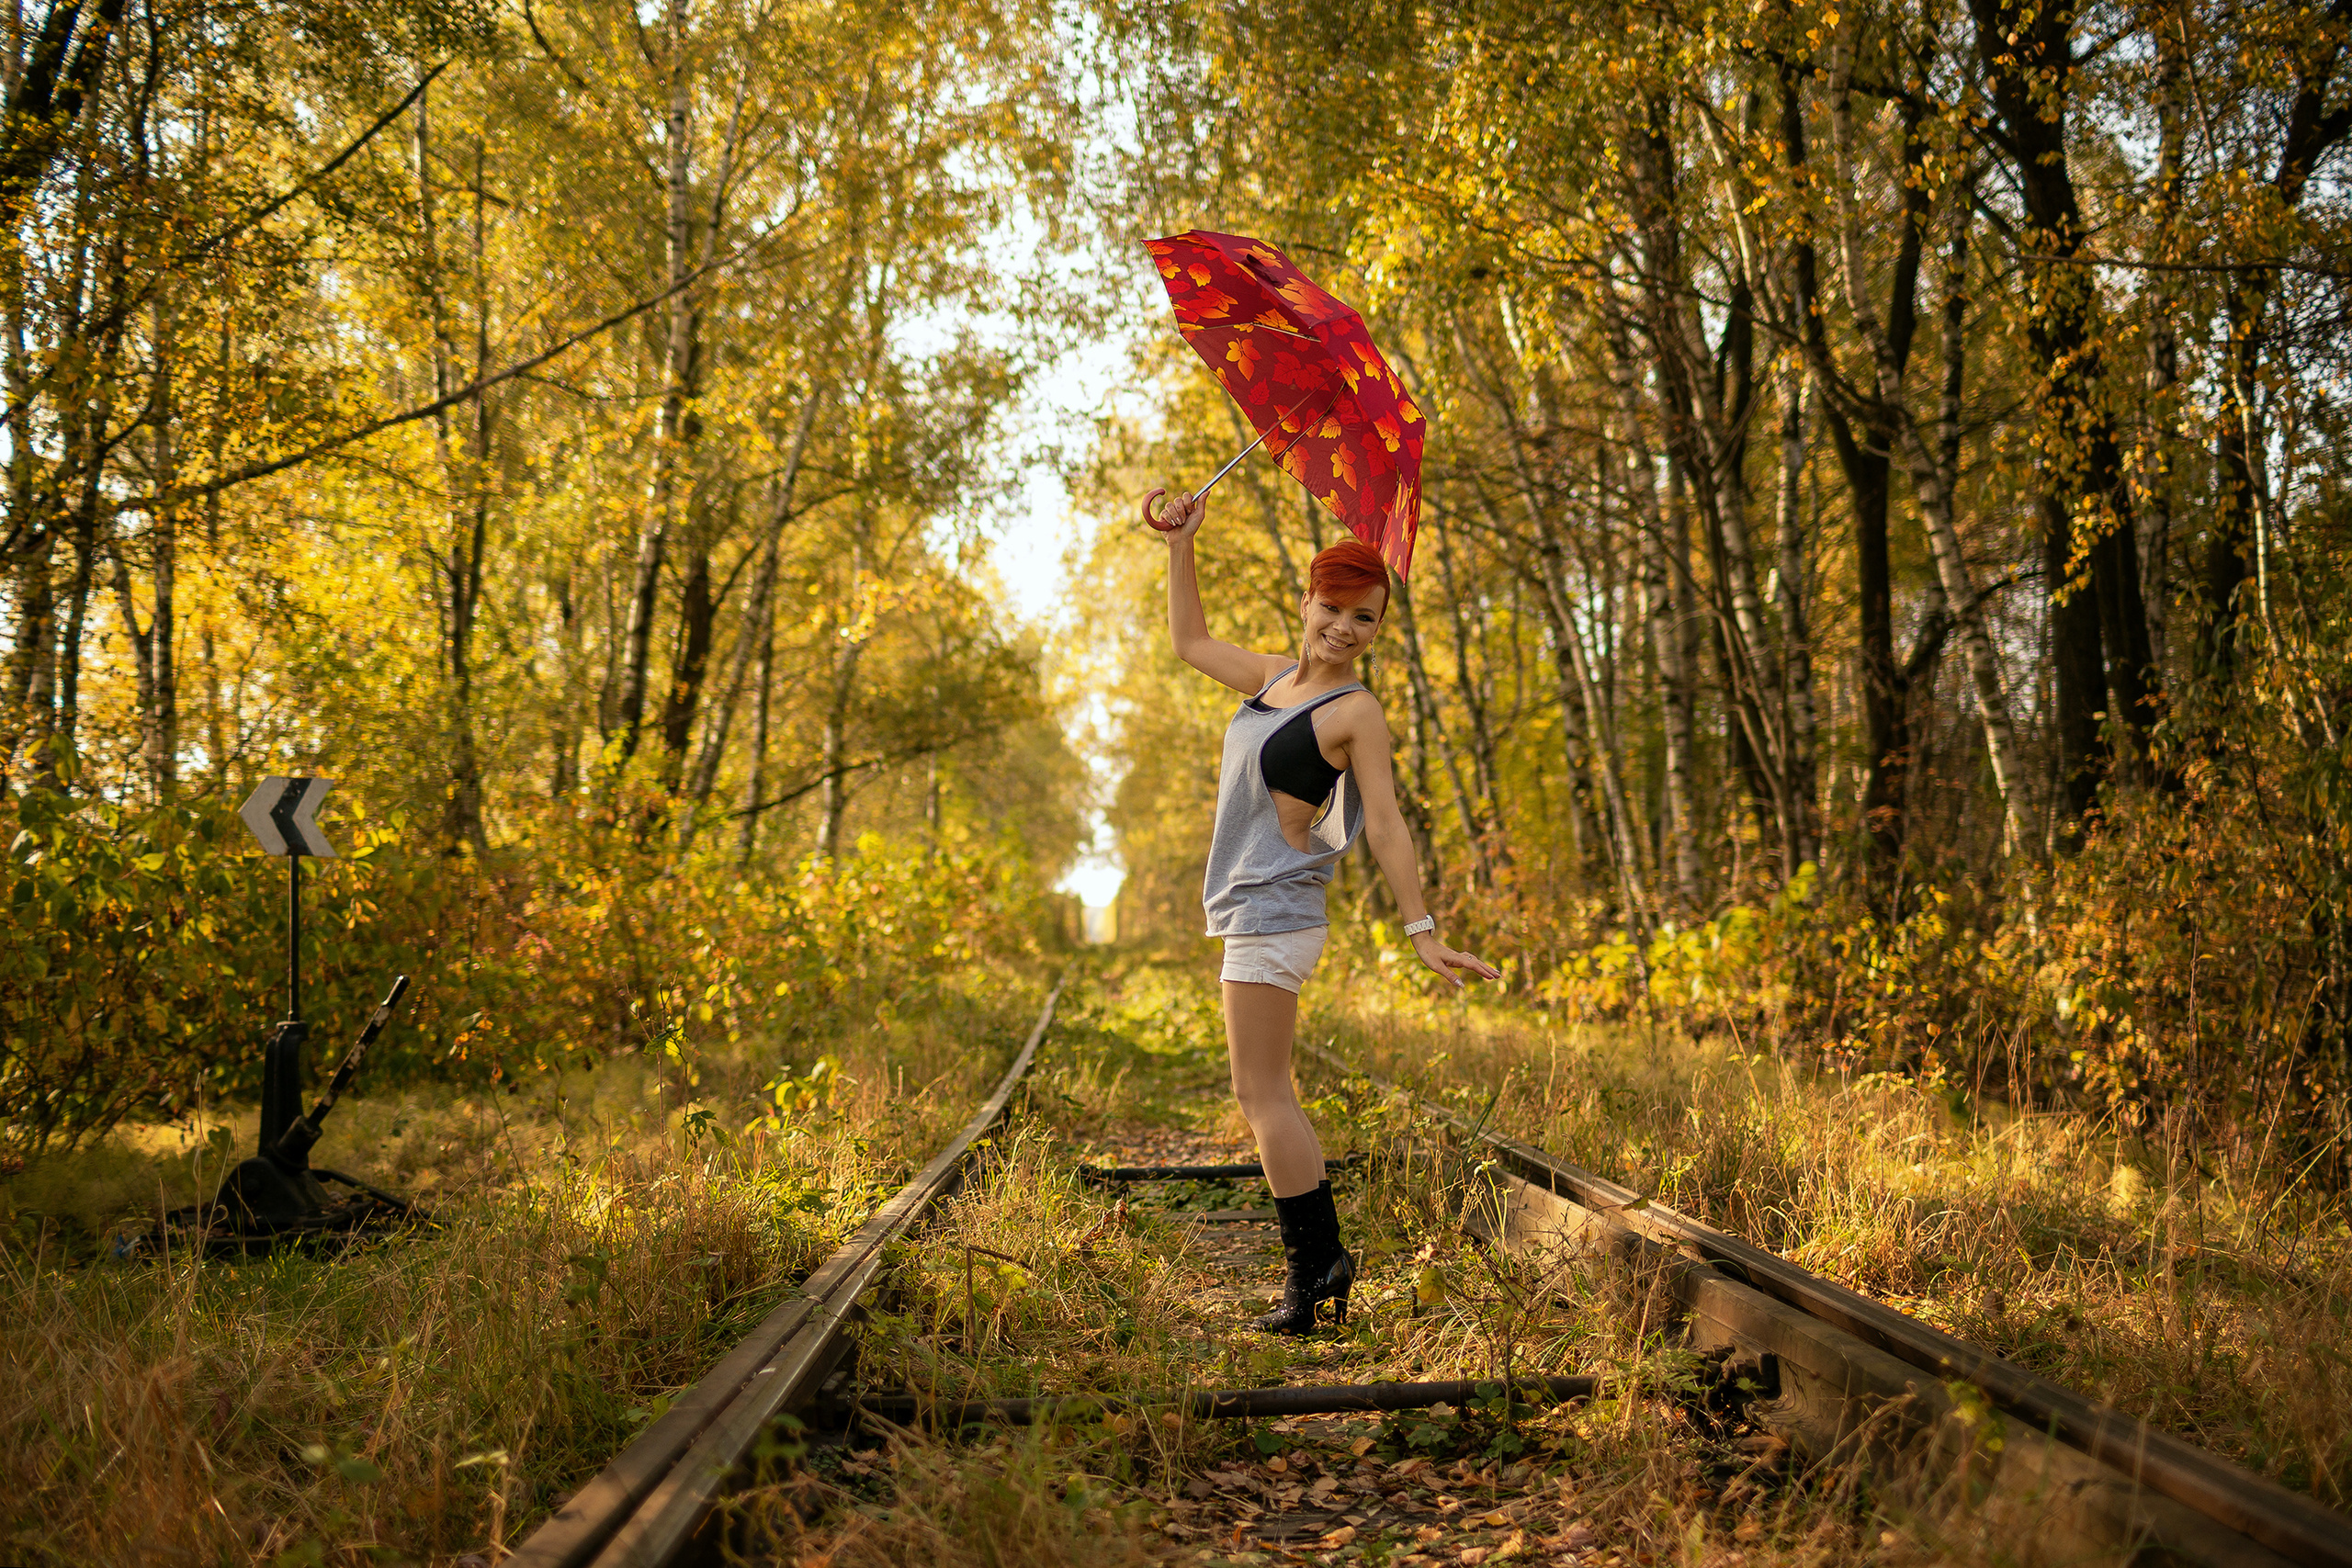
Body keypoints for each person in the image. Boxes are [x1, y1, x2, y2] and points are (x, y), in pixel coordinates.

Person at [1151, 487, 1500, 1335]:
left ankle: (1317, 1267)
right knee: (1264, 1091)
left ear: (1380, 629)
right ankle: (1317, 1265)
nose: (1345, 628)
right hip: (1253, 908)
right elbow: (1189, 640)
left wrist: (1423, 930)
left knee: (1263, 1093)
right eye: (1335, 608)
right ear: (1305, 601)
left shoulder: (1355, 711)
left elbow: (1385, 820)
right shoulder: (1272, 678)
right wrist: (1181, 544)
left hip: (1279, 909)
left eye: (1367, 619)